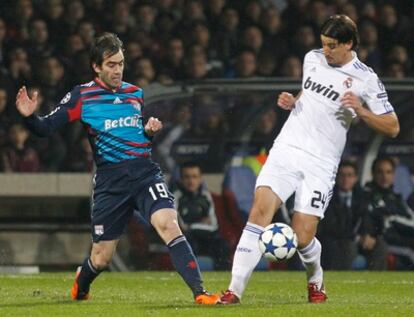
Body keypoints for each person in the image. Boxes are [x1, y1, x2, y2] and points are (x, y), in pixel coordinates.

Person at [15, 32, 220, 305]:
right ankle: (82, 281)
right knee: (101, 258)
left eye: (121, 63)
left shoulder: (135, 93)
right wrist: (29, 118)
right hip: (111, 183)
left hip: (144, 173)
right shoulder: (82, 96)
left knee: (169, 225)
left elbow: (135, 136)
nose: (118, 70)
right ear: (96, 66)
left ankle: (200, 294)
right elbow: (45, 128)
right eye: (111, 64)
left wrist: (148, 133)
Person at [220, 15, 400, 304]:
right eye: (323, 44)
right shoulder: (312, 58)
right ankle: (233, 291)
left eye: (331, 46)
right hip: (287, 149)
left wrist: (363, 112)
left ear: (349, 44)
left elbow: (392, 126)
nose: (325, 50)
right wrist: (295, 101)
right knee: (259, 213)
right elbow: (310, 91)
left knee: (302, 237)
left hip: (321, 162)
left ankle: (315, 279)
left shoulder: (366, 78)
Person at [318, 160, 387, 270]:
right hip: (337, 241)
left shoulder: (363, 197)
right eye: (342, 175)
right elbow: (330, 227)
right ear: (336, 178)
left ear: (355, 178)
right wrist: (356, 238)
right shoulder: (328, 199)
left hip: (359, 241)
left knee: (379, 245)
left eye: (350, 175)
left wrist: (367, 235)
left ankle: (376, 281)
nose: (346, 179)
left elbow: (367, 220)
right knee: (348, 247)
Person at [174, 161, 229, 270]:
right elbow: (183, 227)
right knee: (188, 241)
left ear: (200, 179)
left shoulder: (206, 197)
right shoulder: (175, 198)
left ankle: (223, 278)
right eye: (187, 177)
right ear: (180, 179)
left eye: (194, 177)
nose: (191, 181)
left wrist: (192, 225)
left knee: (222, 245)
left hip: (206, 237)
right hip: (188, 239)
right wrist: (200, 222)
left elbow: (213, 225)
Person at [363, 157, 414, 269]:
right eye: (380, 172)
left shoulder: (396, 197)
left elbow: (411, 219)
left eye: (388, 172)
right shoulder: (367, 195)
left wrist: (394, 217)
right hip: (384, 240)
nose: (384, 176)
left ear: (393, 175)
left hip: (402, 238)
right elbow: (381, 220)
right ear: (373, 174)